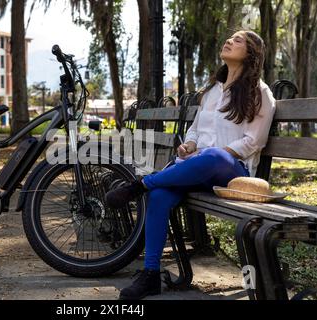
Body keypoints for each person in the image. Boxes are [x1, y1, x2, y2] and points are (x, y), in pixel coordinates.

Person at [105, 30, 277, 300]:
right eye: (230, 38)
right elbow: (195, 130)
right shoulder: (212, 92)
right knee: (160, 196)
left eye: (239, 40)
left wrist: (207, 155)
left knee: (214, 157)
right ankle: (151, 274)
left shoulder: (260, 92)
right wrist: (189, 146)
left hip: (232, 174)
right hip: (197, 167)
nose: (230, 41)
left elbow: (253, 141)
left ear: (252, 54)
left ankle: (139, 185)